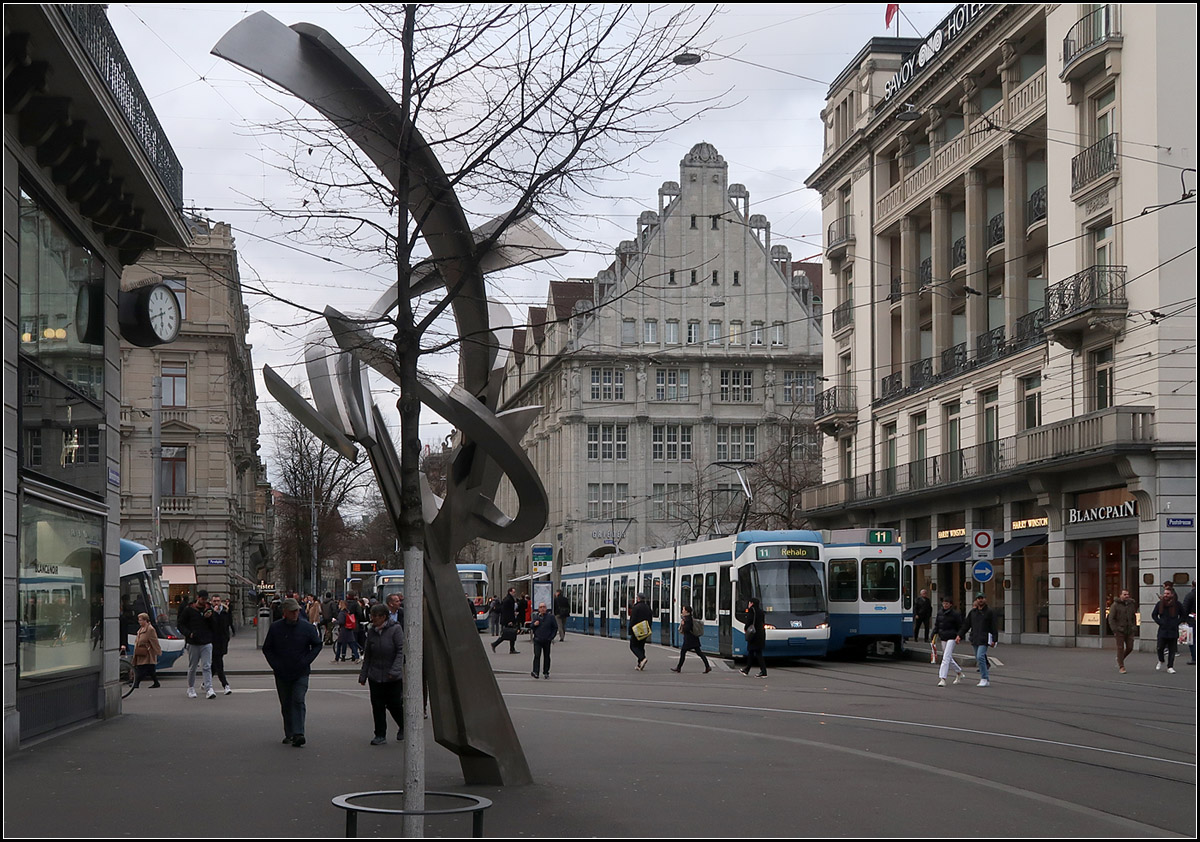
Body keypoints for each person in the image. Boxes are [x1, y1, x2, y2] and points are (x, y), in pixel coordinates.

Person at [262, 597, 322, 747]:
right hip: (282, 672)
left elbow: (317, 645)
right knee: (286, 703)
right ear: (285, 612)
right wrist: (275, 664)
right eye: (292, 611)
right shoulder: (276, 628)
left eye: (297, 611)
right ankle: (289, 733)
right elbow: (267, 648)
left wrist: (306, 660)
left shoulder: (307, 628)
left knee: (298, 700)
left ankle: (298, 733)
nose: (295, 614)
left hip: (301, 671)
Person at [359, 603, 405, 745]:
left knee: (394, 704)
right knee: (377, 705)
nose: (372, 619)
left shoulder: (395, 629)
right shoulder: (372, 631)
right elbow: (368, 655)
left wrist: (395, 670)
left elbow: (400, 651)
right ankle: (380, 734)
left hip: (392, 676)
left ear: (383, 617)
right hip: (375, 675)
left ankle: (404, 726)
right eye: (372, 616)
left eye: (375, 617)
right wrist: (364, 675)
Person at [178, 589, 216, 699]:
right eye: (202, 599)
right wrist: (188, 634)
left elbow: (214, 625)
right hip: (193, 642)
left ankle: (209, 688)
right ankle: (190, 688)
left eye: (205, 599)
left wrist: (210, 618)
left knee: (207, 666)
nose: (204, 601)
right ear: (198, 598)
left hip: (206, 641)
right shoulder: (189, 610)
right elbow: (180, 624)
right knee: (192, 667)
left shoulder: (209, 609)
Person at [957, 594, 998, 687]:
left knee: (980, 657)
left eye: (982, 598)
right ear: (976, 600)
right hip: (975, 638)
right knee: (979, 658)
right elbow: (966, 625)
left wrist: (994, 639)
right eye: (978, 599)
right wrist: (959, 635)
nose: (980, 600)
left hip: (984, 638)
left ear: (985, 600)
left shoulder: (989, 612)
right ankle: (985, 678)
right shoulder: (973, 612)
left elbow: (993, 626)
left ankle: (984, 678)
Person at [934, 596, 965, 686]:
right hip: (943, 637)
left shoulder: (955, 614)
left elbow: (960, 626)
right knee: (947, 657)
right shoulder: (940, 613)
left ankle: (942, 679)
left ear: (950, 604)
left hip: (952, 637)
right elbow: (937, 625)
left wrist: (959, 636)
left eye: (947, 603)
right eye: (944, 603)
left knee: (946, 658)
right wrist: (934, 634)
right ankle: (959, 672)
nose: (945, 605)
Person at [670, 605, 711, 674]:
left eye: (683, 609)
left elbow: (687, 629)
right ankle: (707, 666)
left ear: (686, 611)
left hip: (689, 640)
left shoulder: (687, 619)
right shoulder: (689, 618)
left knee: (683, 653)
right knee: (699, 653)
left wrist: (683, 624)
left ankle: (678, 668)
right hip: (694, 639)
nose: (682, 611)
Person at [1151, 588, 1183, 674]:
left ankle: (1170, 666)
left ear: (1172, 594)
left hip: (1173, 630)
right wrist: (1160, 622)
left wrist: (1176, 622)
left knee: (1172, 650)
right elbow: (1154, 615)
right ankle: (1161, 660)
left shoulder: (1177, 604)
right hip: (1163, 630)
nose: (1165, 595)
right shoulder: (1160, 604)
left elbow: (1183, 615)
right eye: (1165, 593)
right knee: (1160, 647)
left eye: (1168, 593)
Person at [1106, 588, 1138, 674]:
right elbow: (1111, 619)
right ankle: (1121, 666)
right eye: (1124, 594)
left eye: (1127, 594)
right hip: (1119, 630)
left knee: (1130, 647)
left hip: (1129, 629)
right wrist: (1115, 629)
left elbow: (1133, 616)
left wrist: (1134, 626)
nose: (1126, 596)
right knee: (1120, 648)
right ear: (1120, 595)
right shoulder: (1115, 605)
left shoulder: (1131, 604)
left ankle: (1119, 659)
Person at [210, 593, 235, 694]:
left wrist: (228, 637)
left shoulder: (225, 612)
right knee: (219, 663)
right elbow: (212, 625)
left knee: (215, 663)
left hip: (222, 641)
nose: (216, 603)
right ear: (211, 602)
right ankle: (225, 685)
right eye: (214, 601)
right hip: (212, 641)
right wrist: (215, 613)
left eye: (218, 601)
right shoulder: (210, 612)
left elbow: (227, 624)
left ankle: (205, 682)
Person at [130, 612, 162, 689]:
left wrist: (158, 651)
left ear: (145, 620)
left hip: (147, 652)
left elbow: (154, 640)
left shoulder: (150, 629)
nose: (139, 622)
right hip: (141, 651)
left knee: (142, 669)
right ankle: (156, 682)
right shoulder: (141, 629)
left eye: (140, 620)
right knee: (150, 669)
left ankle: (136, 683)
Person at [739, 596, 767, 678]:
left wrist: (745, 629)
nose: (748, 604)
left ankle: (763, 671)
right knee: (752, 652)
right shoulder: (761, 611)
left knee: (757, 653)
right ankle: (747, 670)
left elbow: (749, 621)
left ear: (752, 604)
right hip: (760, 634)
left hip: (754, 635)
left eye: (749, 603)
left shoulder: (752, 611)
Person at [530, 602, 557, 679]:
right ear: (538, 609)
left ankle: (546, 672)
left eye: (544, 607)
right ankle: (535, 672)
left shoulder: (551, 617)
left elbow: (555, 628)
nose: (542, 609)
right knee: (537, 655)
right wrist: (534, 624)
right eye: (541, 607)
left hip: (547, 640)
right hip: (537, 640)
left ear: (546, 608)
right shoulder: (536, 617)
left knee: (547, 656)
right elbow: (531, 626)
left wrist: (551, 637)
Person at [629, 592, 653, 671]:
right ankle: (640, 664)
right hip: (645, 629)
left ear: (638, 598)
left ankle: (642, 658)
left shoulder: (636, 607)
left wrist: (630, 630)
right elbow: (650, 618)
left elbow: (633, 619)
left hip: (637, 630)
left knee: (633, 646)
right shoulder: (648, 607)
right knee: (641, 646)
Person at [491, 588, 520, 654]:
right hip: (509, 619)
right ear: (510, 592)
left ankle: (511, 648)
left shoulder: (508, 599)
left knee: (511, 633)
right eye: (513, 592)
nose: (514, 593)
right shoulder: (508, 600)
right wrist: (510, 620)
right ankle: (495, 644)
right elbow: (506, 611)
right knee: (509, 634)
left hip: (508, 619)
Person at [1183, 582, 1196, 666]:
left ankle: (1194, 658)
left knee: (1193, 640)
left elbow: (1185, 608)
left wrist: (1183, 619)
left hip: (1192, 620)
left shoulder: (1190, 595)